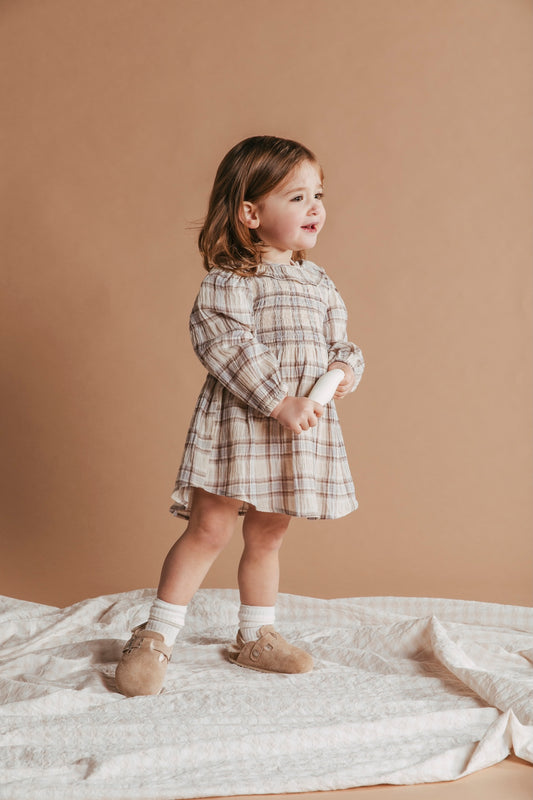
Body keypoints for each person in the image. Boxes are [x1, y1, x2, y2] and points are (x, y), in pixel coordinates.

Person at [115, 135, 364, 696]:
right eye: (297, 197)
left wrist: (345, 371)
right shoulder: (230, 281)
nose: (316, 208)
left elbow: (341, 343)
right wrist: (278, 399)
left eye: (318, 194)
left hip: (297, 432)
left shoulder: (318, 281)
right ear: (251, 213)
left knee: (269, 536)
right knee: (210, 529)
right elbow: (224, 344)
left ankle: (255, 635)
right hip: (244, 426)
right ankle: (156, 633)